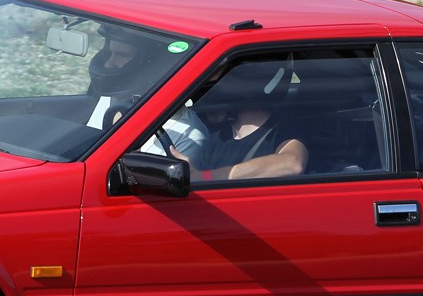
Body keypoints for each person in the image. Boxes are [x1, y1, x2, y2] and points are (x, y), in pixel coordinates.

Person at [85, 23, 209, 166]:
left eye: (122, 55)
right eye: (110, 53)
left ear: (151, 64)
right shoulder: (113, 98)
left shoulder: (188, 135)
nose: (108, 64)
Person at [181, 58, 307, 181]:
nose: (213, 87)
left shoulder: (284, 129)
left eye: (225, 78)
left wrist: (206, 177)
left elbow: (292, 163)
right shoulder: (216, 137)